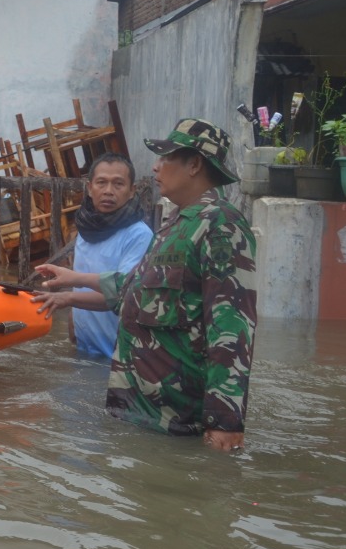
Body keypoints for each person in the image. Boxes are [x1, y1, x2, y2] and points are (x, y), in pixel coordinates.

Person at [33, 119, 256, 452]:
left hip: (179, 416)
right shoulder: (176, 225)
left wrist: (225, 420)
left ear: (194, 165)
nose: (155, 166)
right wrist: (72, 283)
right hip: (144, 410)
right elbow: (134, 286)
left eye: (165, 157)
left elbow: (232, 326)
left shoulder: (219, 226)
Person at [31, 152, 153, 357]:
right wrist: (74, 318)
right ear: (89, 188)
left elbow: (125, 294)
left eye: (118, 184)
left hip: (119, 354)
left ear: (132, 191)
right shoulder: (86, 230)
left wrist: (68, 298)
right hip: (85, 345)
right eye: (101, 183)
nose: (108, 191)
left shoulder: (139, 235)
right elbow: (84, 279)